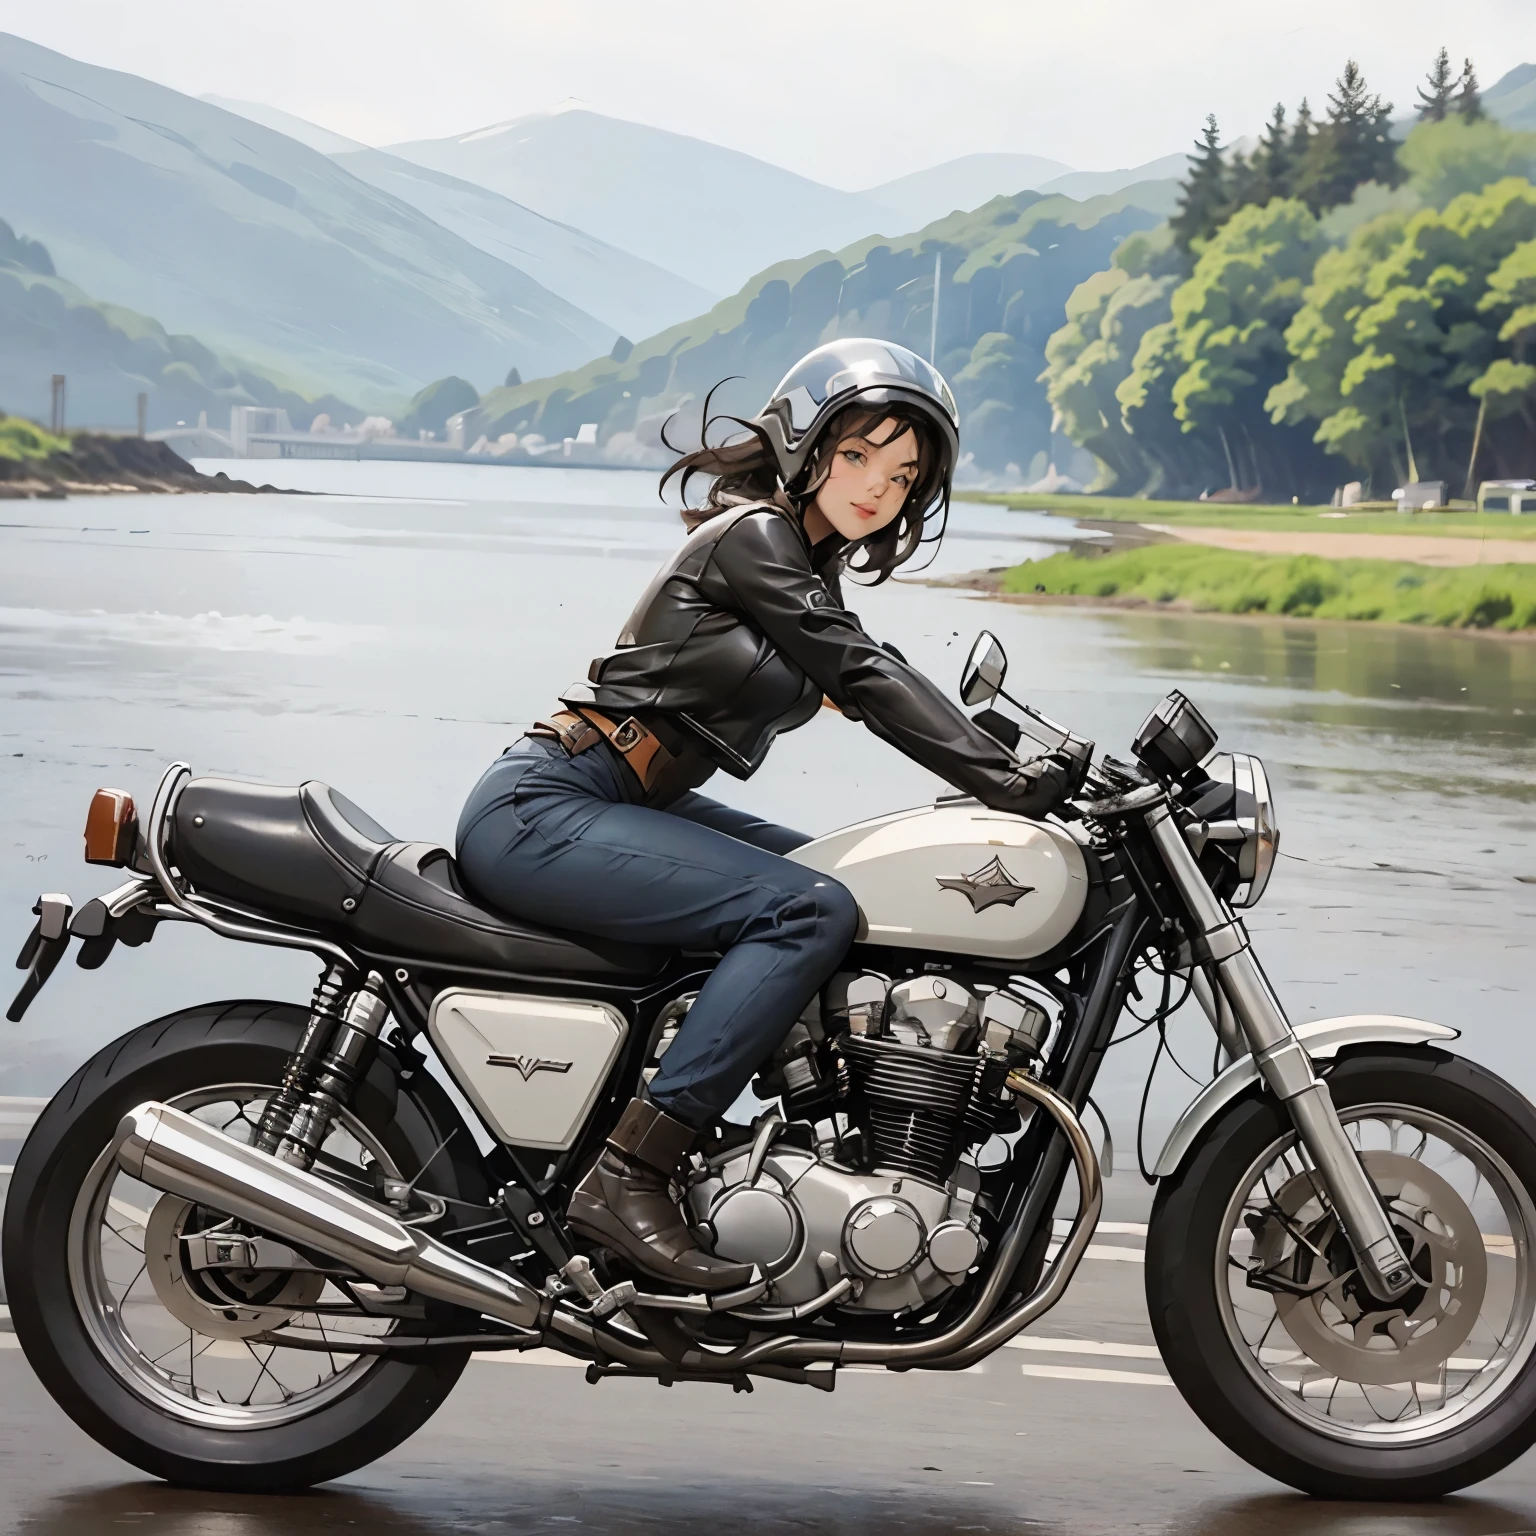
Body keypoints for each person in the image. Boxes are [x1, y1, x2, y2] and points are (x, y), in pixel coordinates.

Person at [455, 339, 1079, 1292]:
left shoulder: (802, 571)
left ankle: (781, 1152)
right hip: (547, 803)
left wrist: (1014, 765)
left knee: (857, 893)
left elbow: (873, 667)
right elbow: (862, 675)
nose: (880, 486)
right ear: (808, 443)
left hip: (615, 793)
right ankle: (632, 1172)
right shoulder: (754, 536)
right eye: (861, 454)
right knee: (807, 909)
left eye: (905, 473)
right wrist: (1003, 780)